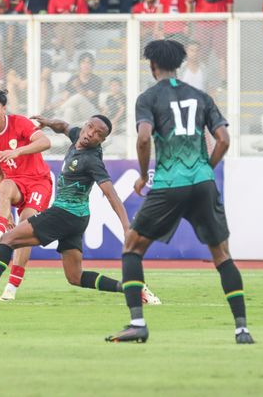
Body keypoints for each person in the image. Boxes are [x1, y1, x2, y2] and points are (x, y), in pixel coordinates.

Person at [106, 39, 253, 344]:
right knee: (221, 254)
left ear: (152, 66)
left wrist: (143, 175)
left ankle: (137, 323)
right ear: (179, 64)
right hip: (202, 183)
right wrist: (206, 168)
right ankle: (242, 329)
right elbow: (224, 139)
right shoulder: (201, 96)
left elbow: (144, 138)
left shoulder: (148, 98)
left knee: (132, 247)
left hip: (169, 184)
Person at [0, 114, 160, 307]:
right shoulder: (78, 136)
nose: (91, 133)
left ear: (102, 141)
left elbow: (112, 195)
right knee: (75, 276)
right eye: (90, 127)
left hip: (64, 214)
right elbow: (63, 126)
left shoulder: (92, 160)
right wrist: (48, 123)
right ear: (85, 125)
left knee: (7, 239)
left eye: (98, 134)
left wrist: (126, 227)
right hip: (78, 218)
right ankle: (134, 289)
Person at [0, 88, 53, 301]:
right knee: (6, 184)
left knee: (25, 225)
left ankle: (12, 285)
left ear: (4, 109)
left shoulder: (19, 123)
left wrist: (17, 151)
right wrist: (5, 211)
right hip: (15, 183)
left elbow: (46, 142)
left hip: (38, 182)